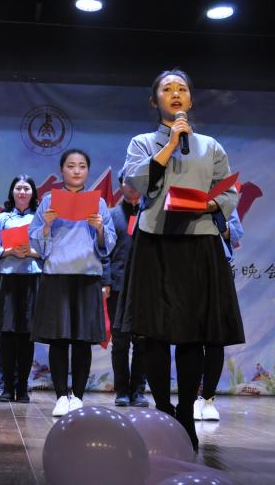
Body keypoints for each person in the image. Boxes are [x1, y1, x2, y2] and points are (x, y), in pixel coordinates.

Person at [119, 69, 244, 450]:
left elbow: (229, 191)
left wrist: (210, 204)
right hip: (155, 240)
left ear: (190, 99)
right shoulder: (142, 142)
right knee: (153, 332)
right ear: (154, 100)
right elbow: (136, 183)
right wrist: (171, 143)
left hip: (199, 241)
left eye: (182, 89)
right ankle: (162, 409)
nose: (176, 94)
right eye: (167, 89)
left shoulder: (210, 145)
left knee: (193, 334)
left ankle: (186, 413)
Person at [30, 149, 115, 418]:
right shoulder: (48, 201)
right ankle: (60, 397)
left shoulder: (98, 203)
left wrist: (100, 228)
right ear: (62, 170)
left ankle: (77, 396)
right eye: (70, 166)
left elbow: (108, 243)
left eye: (81, 166)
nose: (76, 171)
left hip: (87, 277)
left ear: (87, 171)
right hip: (57, 276)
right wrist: (46, 225)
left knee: (82, 340)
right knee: (59, 339)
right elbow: (36, 241)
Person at [0, 176, 42, 403]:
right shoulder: (2, 218)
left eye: (27, 188)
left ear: (33, 193)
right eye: (18, 188)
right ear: (12, 192)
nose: (22, 192)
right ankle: (7, 387)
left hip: (31, 281)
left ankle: (23, 388)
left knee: (27, 337)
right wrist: (9, 251)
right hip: (6, 282)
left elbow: (50, 248)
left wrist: (31, 252)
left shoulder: (39, 219)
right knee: (6, 336)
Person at [192, 208, 243, 421]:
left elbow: (236, 233)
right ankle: (191, 399)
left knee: (215, 337)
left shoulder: (223, 198)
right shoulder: (182, 194)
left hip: (218, 267)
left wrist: (220, 217)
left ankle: (208, 398)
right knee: (191, 338)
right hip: (188, 266)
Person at [109, 176, 148, 408]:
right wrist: (105, 281)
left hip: (144, 286)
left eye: (136, 181)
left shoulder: (150, 214)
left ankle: (138, 392)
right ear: (120, 185)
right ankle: (122, 391)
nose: (132, 186)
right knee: (120, 342)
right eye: (127, 181)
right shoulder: (112, 215)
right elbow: (103, 252)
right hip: (118, 286)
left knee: (143, 341)